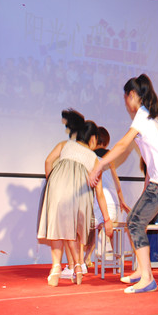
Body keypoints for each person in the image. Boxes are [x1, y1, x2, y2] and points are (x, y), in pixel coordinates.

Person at [88, 74, 158, 294]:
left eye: (126, 97)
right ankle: (142, 271)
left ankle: (147, 278)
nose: (126, 102)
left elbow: (121, 146)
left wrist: (99, 165)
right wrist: (147, 185)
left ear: (133, 95)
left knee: (135, 223)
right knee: (134, 221)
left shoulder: (142, 116)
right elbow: (152, 158)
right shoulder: (148, 118)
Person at [37, 109, 113, 287]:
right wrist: (107, 219)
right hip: (80, 195)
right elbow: (100, 193)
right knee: (75, 231)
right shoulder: (94, 158)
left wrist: (51, 182)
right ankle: (78, 267)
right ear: (93, 139)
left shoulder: (65, 144)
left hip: (58, 185)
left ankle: (56, 268)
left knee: (57, 227)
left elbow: (48, 161)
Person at [61, 126, 131, 280]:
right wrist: (122, 200)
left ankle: (80, 262)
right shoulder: (109, 156)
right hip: (114, 204)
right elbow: (116, 181)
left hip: (103, 203)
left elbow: (94, 188)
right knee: (96, 226)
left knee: (81, 226)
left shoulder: (90, 157)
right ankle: (95, 259)